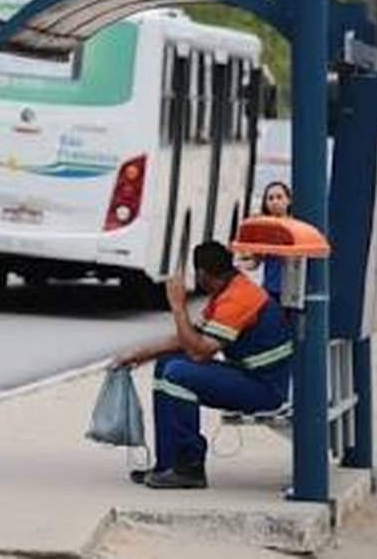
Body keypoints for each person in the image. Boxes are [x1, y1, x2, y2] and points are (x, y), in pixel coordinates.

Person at [114, 241, 292, 489]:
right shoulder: (228, 290)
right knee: (167, 363)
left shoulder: (238, 298)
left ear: (201, 274)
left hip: (265, 389)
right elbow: (188, 338)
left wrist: (178, 307)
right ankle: (168, 465)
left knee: (177, 374)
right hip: (250, 377)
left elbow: (199, 352)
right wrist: (138, 355)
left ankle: (189, 467)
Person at [240, 181, 293, 301]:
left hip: (291, 289)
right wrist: (239, 265)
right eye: (270, 198)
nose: (275, 202)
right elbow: (255, 262)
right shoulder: (263, 227)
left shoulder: (296, 227)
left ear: (288, 200)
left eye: (279, 197)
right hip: (270, 289)